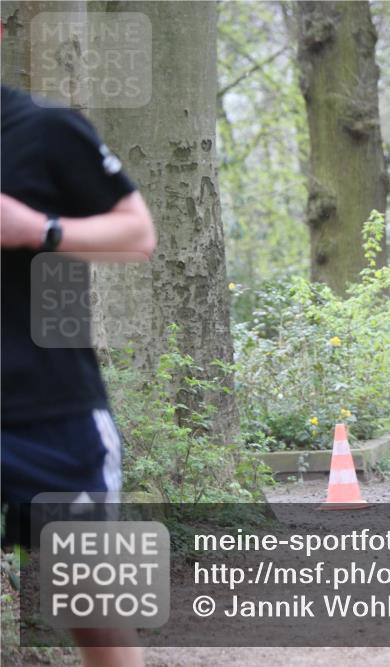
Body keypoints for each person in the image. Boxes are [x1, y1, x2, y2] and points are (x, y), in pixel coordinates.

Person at [1, 84, 155, 667]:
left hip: (51, 409)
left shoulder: (43, 128)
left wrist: (42, 230)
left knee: (93, 611)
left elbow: (137, 236)